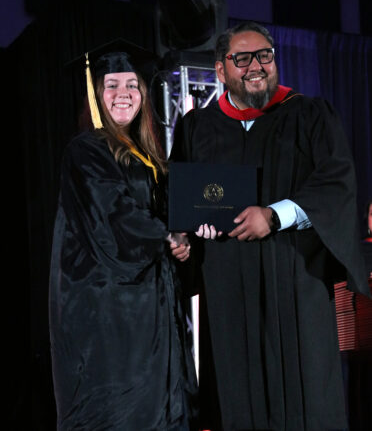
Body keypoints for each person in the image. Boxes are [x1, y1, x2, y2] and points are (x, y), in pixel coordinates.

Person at [170, 21, 370, 431]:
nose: (255, 65)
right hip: (227, 284)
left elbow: (336, 183)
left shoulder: (309, 114)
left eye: (264, 55)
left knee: (305, 395)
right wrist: (189, 235)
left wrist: (275, 215)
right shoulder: (197, 128)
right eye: (241, 58)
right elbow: (183, 200)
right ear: (221, 70)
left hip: (295, 279)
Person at [49, 39, 198, 430]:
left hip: (151, 310)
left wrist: (185, 240)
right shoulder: (86, 151)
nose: (123, 94)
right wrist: (165, 237)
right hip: (111, 314)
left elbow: (170, 218)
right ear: (95, 94)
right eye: (111, 85)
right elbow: (112, 214)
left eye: (132, 84)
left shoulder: (147, 155)